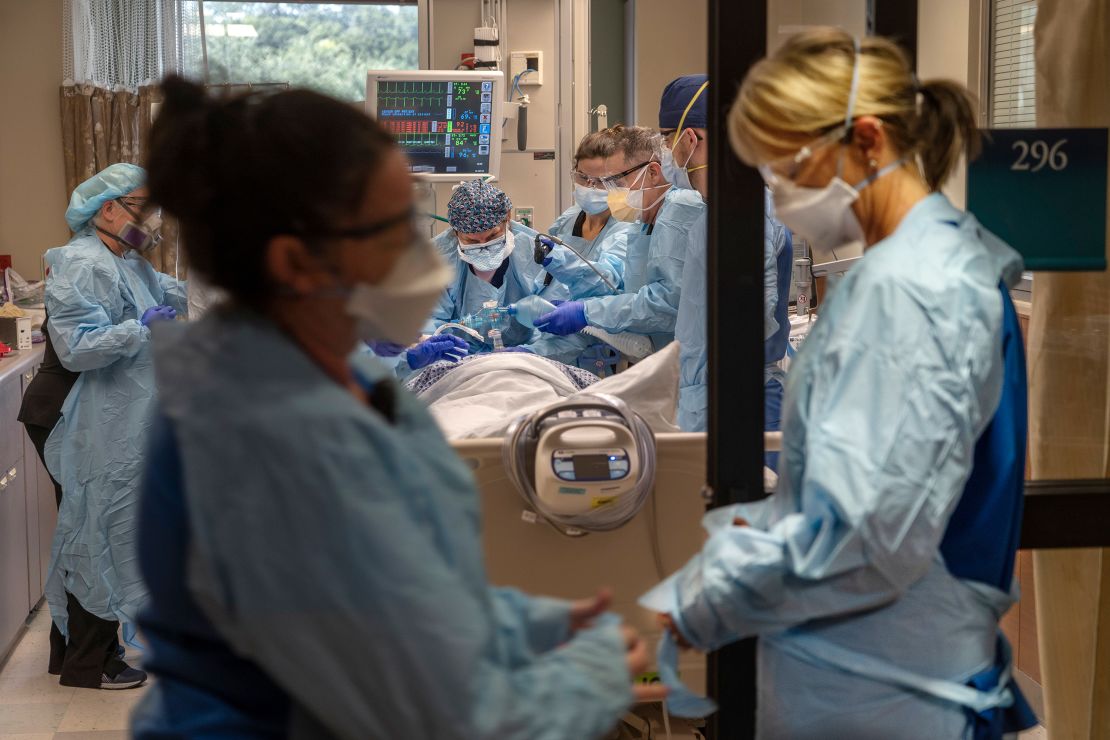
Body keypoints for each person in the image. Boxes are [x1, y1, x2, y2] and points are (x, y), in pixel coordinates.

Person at [131, 75, 663, 738]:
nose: (427, 251)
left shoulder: (336, 371)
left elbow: (406, 591)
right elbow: (427, 708)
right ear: (297, 261)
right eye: (390, 231)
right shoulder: (270, 442)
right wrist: (595, 677)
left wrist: (536, 624)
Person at [646, 30, 1037, 739]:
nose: (777, 189)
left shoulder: (909, 292)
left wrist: (692, 607)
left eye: (785, 164)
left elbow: (865, 541)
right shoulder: (938, 259)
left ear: (865, 139)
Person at [35, 162, 185, 690]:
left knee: (89, 525)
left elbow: (179, 295)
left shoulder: (127, 261)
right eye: (144, 206)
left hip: (104, 409)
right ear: (108, 208)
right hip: (68, 408)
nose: (153, 219)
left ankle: (71, 655)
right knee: (92, 526)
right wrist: (136, 329)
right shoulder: (81, 263)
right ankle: (89, 665)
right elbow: (77, 349)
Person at [659, 74, 794, 441]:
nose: (665, 150)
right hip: (713, 397)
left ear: (690, 139)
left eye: (666, 138)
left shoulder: (743, 213)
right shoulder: (718, 211)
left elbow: (749, 325)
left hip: (739, 403)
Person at [533, 125, 706, 358]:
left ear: (653, 173)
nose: (611, 192)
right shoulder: (646, 223)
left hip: (696, 360)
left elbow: (666, 305)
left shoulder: (679, 212)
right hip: (670, 359)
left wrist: (587, 312)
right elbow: (620, 288)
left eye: (616, 182)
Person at [527, 129, 637, 365]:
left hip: (589, 349)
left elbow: (606, 283)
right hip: (543, 335)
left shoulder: (627, 228)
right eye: (582, 177)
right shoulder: (570, 217)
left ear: (618, 182)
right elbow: (543, 280)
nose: (589, 186)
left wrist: (560, 260)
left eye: (600, 182)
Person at [427, 179, 548, 349]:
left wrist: (533, 353)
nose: (484, 245)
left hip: (528, 352)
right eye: (471, 241)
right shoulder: (435, 259)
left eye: (492, 237)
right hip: (459, 356)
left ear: (507, 217)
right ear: (455, 232)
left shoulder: (536, 251)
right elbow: (431, 323)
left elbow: (554, 319)